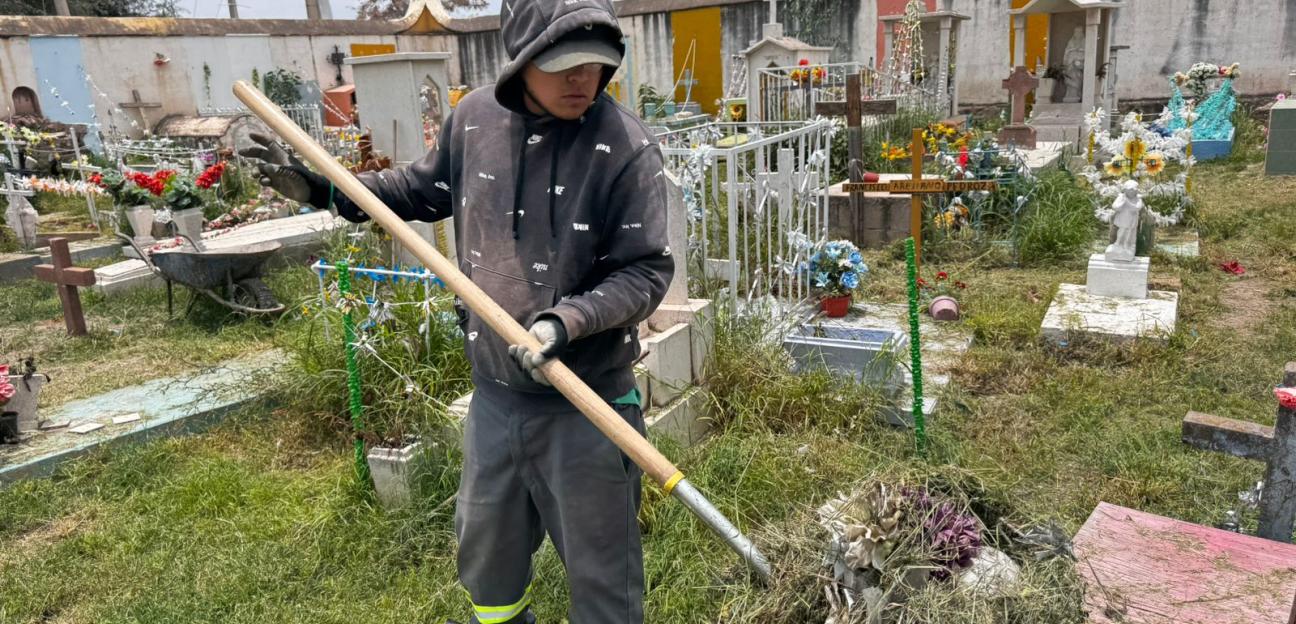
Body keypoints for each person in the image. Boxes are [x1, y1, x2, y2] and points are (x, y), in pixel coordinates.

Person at [239, 1, 672, 622]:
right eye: (565, 66)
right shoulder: (475, 121)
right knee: (488, 574)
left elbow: (646, 270)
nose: (584, 81)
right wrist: (323, 189)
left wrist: (565, 320)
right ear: (523, 59)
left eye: (597, 66)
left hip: (588, 407)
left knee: (605, 584)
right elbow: (417, 192)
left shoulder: (624, 146)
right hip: (495, 401)